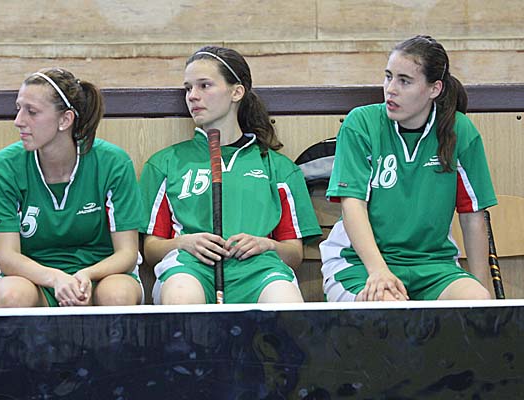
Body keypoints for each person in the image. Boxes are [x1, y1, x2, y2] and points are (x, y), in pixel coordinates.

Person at [320, 35, 497, 302]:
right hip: (360, 263)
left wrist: (483, 298)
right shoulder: (361, 123)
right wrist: (378, 271)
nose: (391, 89)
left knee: (476, 302)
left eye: (404, 81)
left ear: (434, 88)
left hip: (433, 265)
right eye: (388, 77)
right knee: (394, 312)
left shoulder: (460, 131)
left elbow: (473, 217)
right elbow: (352, 205)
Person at [139, 46, 322, 304]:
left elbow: (294, 254)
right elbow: (150, 249)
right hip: (189, 267)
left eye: (204, 85)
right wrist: (183, 243)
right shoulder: (165, 164)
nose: (193, 96)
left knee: (285, 303)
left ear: (236, 92)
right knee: (182, 294)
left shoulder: (279, 168)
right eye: (188, 88)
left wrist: (267, 245)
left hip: (260, 270)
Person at [0, 67, 143, 307]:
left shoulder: (113, 163)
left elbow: (127, 254)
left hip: (100, 275)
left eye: (32, 112)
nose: (18, 121)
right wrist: (55, 278)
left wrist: (85, 276)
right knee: (12, 295)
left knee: (118, 294)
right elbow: (7, 257)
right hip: (33, 277)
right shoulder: (4, 167)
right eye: (18, 109)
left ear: (65, 120)